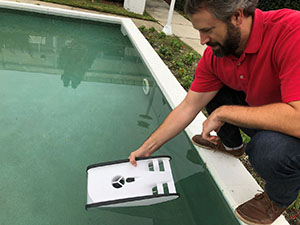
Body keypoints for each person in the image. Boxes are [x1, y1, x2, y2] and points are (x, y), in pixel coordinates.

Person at [129, 0, 300, 224]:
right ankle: (233, 147)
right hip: (271, 111)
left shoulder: (291, 32)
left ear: (237, 16)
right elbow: (189, 106)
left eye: (207, 30)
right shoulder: (218, 55)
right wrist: (147, 148)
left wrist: (224, 113)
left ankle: (277, 199)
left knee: (270, 150)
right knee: (213, 93)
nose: (202, 40)